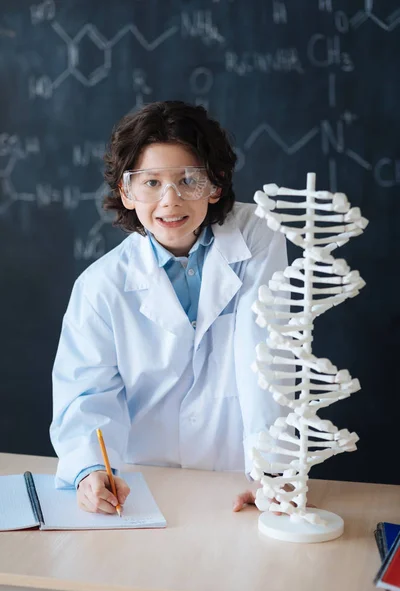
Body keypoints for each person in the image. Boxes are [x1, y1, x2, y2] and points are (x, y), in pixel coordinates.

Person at [50, 100, 289, 515]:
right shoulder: (100, 286)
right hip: (146, 489)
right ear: (126, 192)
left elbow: (268, 357)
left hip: (239, 480)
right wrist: (91, 471)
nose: (170, 200)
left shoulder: (258, 238)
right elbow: (86, 393)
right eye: (151, 182)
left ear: (215, 184)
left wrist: (273, 473)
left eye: (188, 180)